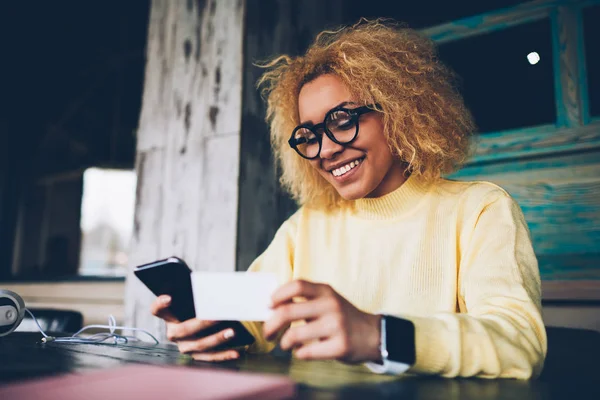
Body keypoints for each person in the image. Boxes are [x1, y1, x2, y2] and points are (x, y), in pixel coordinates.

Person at [151, 18, 547, 379]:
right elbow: (257, 320)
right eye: (309, 136)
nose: (324, 150)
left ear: (398, 111)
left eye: (342, 120)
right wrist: (211, 329)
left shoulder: (480, 210)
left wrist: (379, 334)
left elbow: (518, 342)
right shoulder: (306, 225)